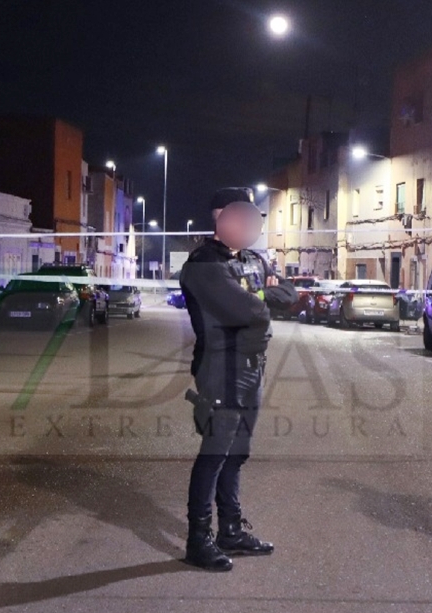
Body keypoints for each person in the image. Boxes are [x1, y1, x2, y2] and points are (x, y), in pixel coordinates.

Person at [178, 187, 298, 571]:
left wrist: (258, 292)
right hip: (221, 367)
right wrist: (261, 298)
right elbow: (253, 313)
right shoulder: (203, 264)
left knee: (237, 452)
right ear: (219, 216)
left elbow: (289, 292)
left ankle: (230, 529)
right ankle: (199, 539)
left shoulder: (250, 259)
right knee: (214, 453)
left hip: (252, 366)